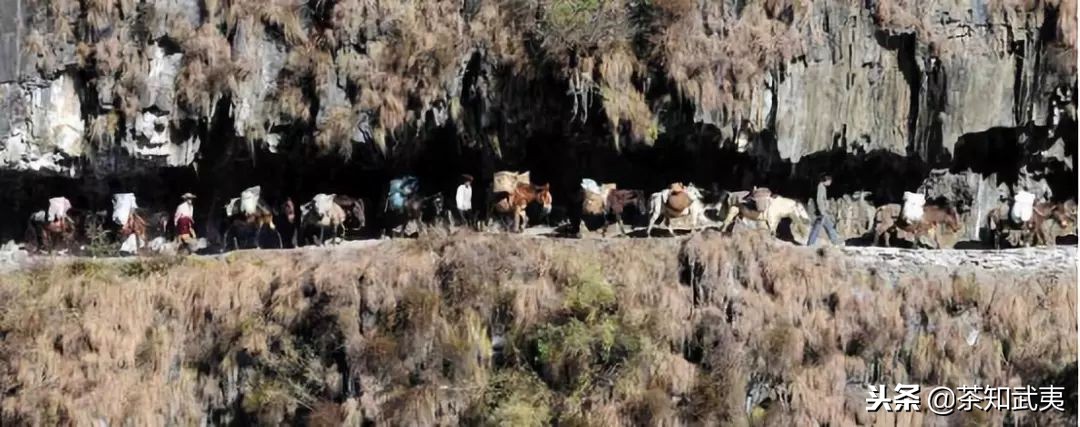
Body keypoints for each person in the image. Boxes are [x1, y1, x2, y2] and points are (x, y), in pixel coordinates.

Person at [807, 174, 842, 246]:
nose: (830, 183)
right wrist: (822, 211)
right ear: (826, 180)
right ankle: (811, 243)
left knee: (826, 226)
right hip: (820, 212)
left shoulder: (822, 187)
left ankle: (835, 240)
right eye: (830, 181)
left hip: (821, 211)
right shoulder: (820, 187)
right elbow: (819, 200)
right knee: (818, 228)